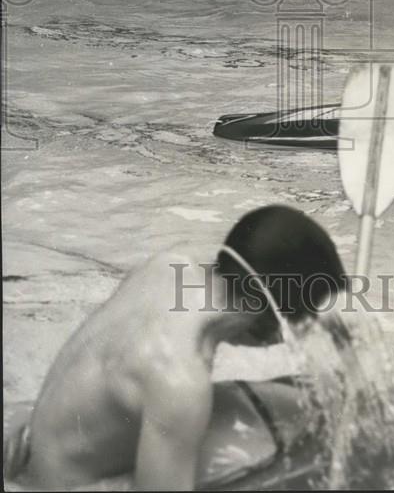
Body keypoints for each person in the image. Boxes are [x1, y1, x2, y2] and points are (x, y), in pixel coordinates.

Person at [3, 205, 346, 491]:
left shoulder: (168, 265)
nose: (288, 338)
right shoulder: (180, 383)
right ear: (269, 314)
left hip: (41, 439)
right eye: (295, 323)